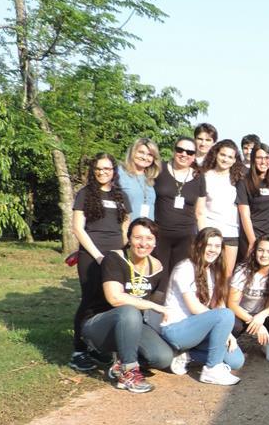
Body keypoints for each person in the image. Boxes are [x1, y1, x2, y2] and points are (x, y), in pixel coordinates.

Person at [77, 218, 173, 393]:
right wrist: (152, 305)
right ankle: (128, 373)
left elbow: (158, 303)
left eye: (149, 238)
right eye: (138, 238)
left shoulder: (157, 266)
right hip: (99, 326)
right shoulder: (114, 258)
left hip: (132, 325)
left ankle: (120, 361)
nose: (143, 243)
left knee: (163, 358)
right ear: (129, 239)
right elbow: (115, 298)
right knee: (128, 311)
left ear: (155, 241)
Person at [69, 153, 132, 372]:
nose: (102, 172)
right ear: (93, 170)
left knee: (110, 301)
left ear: (114, 171)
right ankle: (79, 350)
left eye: (107, 168)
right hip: (91, 254)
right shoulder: (85, 194)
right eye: (98, 168)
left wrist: (119, 252)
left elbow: (125, 226)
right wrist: (97, 255)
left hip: (115, 255)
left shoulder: (121, 195)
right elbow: (78, 228)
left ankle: (98, 345)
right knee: (90, 300)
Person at [160, 227, 243, 385]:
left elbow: (219, 305)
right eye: (208, 245)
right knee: (226, 314)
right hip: (177, 329)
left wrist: (228, 333)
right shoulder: (184, 268)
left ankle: (187, 355)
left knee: (235, 360)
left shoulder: (212, 271)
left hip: (198, 330)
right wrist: (223, 320)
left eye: (217, 246)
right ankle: (211, 370)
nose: (213, 250)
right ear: (198, 245)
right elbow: (195, 308)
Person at [153, 136, 207, 294]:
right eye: (180, 150)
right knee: (158, 277)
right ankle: (152, 313)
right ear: (174, 150)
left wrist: (204, 238)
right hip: (160, 235)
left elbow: (200, 212)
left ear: (194, 156)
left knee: (179, 277)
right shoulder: (159, 169)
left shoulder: (198, 177)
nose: (184, 154)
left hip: (186, 236)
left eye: (190, 152)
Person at [228, 234, 269, 362]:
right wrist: (254, 321)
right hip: (242, 314)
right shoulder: (243, 270)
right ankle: (233, 344)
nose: (264, 255)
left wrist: (261, 316)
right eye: (260, 250)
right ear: (254, 251)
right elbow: (232, 304)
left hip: (263, 315)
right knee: (231, 324)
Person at [201, 139, 246, 273]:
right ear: (216, 154)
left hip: (231, 234)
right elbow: (200, 210)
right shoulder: (205, 177)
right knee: (204, 274)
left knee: (226, 277)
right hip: (209, 233)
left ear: (234, 160)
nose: (225, 159)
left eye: (230, 157)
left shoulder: (238, 180)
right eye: (223, 155)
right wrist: (204, 234)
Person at [236, 143, 269, 259]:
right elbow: (244, 215)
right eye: (259, 158)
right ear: (253, 160)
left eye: (266, 158)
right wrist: (253, 242)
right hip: (252, 235)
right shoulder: (244, 182)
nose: (263, 161)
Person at [117, 138, 161, 220]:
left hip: (146, 230)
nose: (145, 157)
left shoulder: (151, 177)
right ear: (132, 152)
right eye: (141, 152)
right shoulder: (119, 173)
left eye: (150, 155)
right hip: (125, 229)